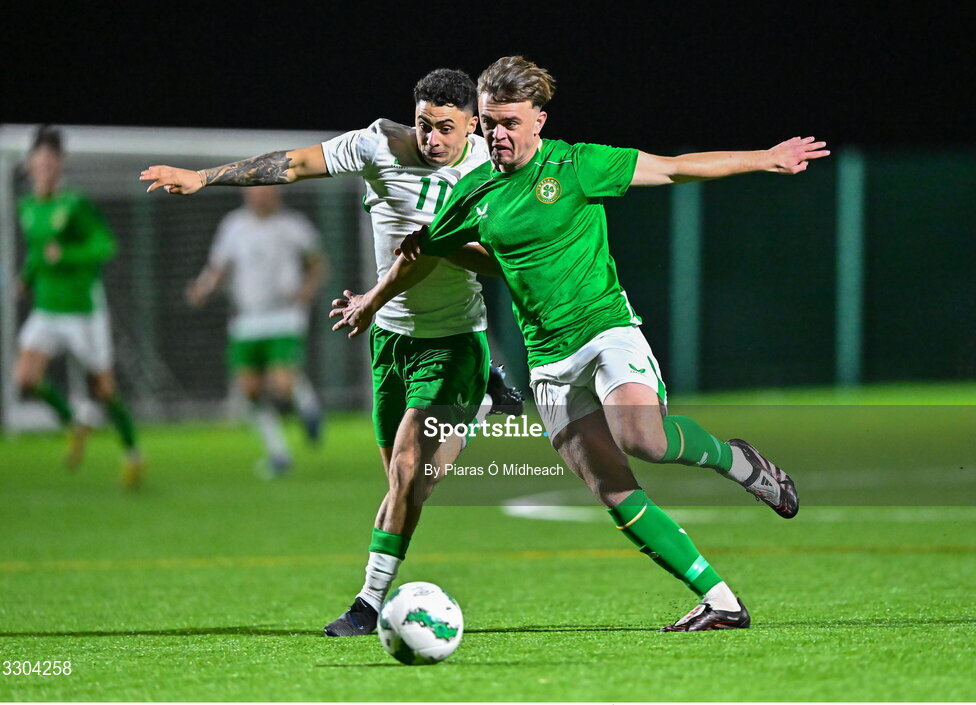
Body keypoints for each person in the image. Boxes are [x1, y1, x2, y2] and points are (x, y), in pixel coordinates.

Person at [332, 56, 830, 631]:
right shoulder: (472, 192)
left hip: (605, 330)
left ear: (539, 121)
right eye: (490, 122)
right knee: (613, 489)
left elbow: (672, 169)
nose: (497, 133)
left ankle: (737, 460)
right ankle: (720, 601)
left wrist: (765, 159)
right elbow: (423, 252)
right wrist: (371, 301)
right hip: (547, 360)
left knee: (642, 437)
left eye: (509, 122)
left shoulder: (576, 164)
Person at [139, 68, 522, 635]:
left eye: (446, 128)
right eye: (424, 125)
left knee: (409, 468)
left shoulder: (492, 168)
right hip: (391, 341)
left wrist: (435, 247)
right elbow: (291, 165)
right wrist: (203, 177)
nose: (433, 140)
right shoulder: (376, 145)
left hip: (454, 336)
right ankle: (484, 404)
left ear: (471, 124)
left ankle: (367, 604)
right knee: (406, 484)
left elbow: (506, 260)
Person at [14, 125, 145, 489]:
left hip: (83, 311)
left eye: (51, 163)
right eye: (39, 163)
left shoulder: (75, 204)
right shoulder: (26, 207)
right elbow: (39, 253)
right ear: (30, 165)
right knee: (25, 378)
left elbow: (105, 246)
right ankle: (75, 419)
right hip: (46, 308)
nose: (45, 169)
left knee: (104, 389)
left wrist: (67, 254)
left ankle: (133, 452)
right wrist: (26, 277)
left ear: (60, 165)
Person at [186, 186, 327, 477]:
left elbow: (318, 264)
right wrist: (202, 288)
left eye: (265, 190)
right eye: (253, 190)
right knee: (249, 388)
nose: (259, 196)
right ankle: (278, 453)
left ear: (277, 192)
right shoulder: (233, 226)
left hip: (284, 317)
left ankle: (307, 404)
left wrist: (306, 291)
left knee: (281, 383)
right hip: (246, 319)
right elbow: (218, 268)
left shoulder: (294, 225)